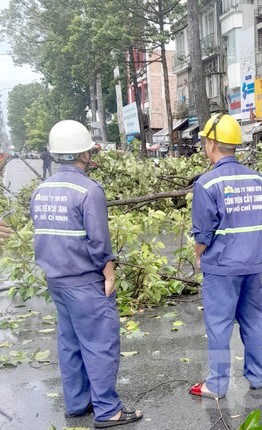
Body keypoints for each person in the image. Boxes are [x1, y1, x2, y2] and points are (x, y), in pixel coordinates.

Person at [29, 120, 142, 428]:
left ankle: (78, 403)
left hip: (56, 281)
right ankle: (108, 410)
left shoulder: (40, 190)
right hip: (84, 282)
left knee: (70, 342)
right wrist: (109, 274)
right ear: (85, 154)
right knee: (100, 342)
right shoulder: (89, 190)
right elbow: (98, 241)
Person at [190, 113, 262, 400]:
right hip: (252, 266)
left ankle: (218, 384)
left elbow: (202, 234)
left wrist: (199, 257)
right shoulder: (258, 180)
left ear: (212, 143)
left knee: (219, 326)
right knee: (254, 321)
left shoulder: (207, 184)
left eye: (204, 142)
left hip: (222, 268)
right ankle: (257, 377)